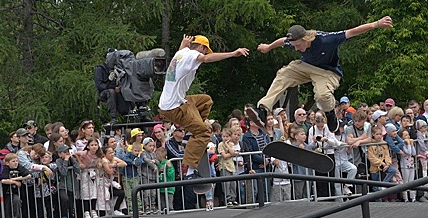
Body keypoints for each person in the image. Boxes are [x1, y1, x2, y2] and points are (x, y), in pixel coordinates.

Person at [253, 16, 393, 132]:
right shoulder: (294, 41)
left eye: (297, 45)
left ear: (305, 39)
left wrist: (376, 24)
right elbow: (282, 41)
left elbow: (352, 32)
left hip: (327, 72)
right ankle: (263, 109)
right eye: (293, 46)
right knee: (283, 74)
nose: (295, 49)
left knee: (321, 96)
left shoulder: (325, 40)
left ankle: (330, 112)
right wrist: (268, 47)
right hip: (307, 67)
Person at [158, 34, 249, 183]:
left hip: (175, 102)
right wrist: (233, 53)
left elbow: (184, 50)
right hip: (175, 107)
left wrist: (183, 44)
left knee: (206, 101)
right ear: (202, 48)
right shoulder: (193, 54)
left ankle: (194, 129)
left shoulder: (181, 53)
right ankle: (190, 171)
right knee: (205, 132)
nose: (204, 55)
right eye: (205, 51)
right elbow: (205, 58)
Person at [0, 153, 31, 218]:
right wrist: (14, 182)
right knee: (10, 208)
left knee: (19, 203)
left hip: (19, 192)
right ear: (7, 163)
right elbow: (3, 180)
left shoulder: (19, 167)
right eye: (13, 161)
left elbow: (28, 175)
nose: (16, 163)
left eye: (17, 161)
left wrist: (15, 179)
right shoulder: (6, 168)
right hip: (7, 193)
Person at [94, 48, 122, 125]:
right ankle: (113, 117)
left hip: (116, 90)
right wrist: (110, 82)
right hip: (104, 93)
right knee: (111, 92)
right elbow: (99, 86)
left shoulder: (117, 69)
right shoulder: (100, 69)